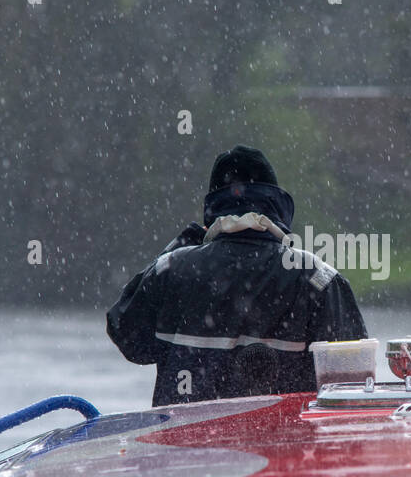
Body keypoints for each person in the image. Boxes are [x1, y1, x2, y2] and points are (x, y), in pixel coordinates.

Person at [107, 145, 368, 406]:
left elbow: (129, 339)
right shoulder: (318, 279)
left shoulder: (171, 268)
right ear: (277, 204)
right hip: (285, 443)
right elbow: (351, 384)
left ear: (212, 207)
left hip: (182, 443)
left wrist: (181, 244)